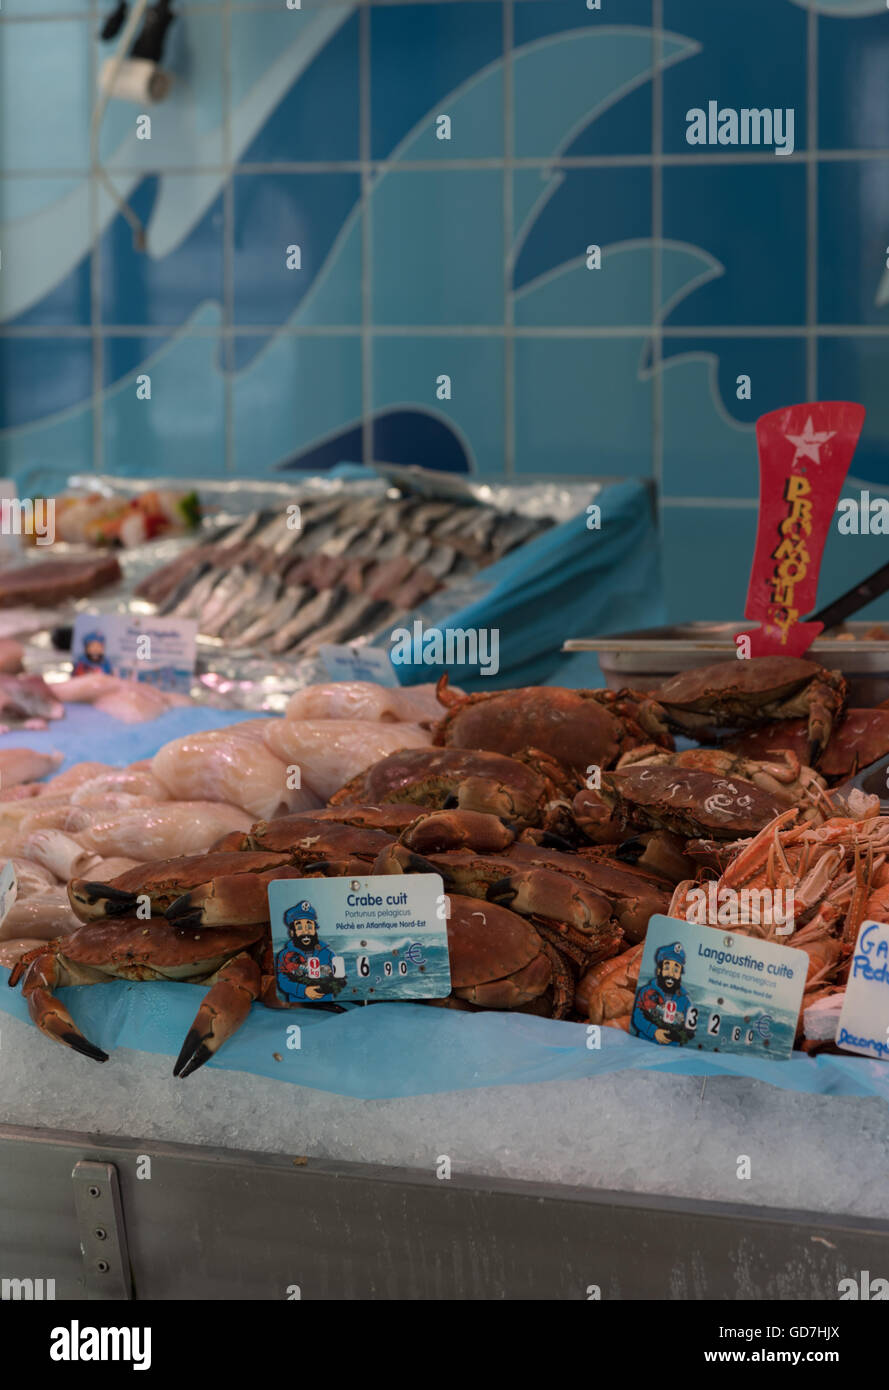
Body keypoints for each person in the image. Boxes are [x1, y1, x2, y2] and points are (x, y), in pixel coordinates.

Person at [275, 900, 346, 1003]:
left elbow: (341, 979)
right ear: (292, 932)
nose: (305, 931)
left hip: (327, 1004)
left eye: (309, 926)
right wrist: (303, 990)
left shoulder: (329, 954)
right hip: (297, 1006)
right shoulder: (284, 955)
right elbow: (283, 981)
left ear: (315, 929)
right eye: (299, 927)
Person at [632, 941, 697, 1046]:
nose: (671, 973)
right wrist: (654, 1031)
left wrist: (677, 1036)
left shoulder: (686, 1002)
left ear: (680, 974)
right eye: (667, 968)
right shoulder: (646, 992)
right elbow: (637, 1017)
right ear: (659, 971)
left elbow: (690, 1031)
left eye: (676, 969)